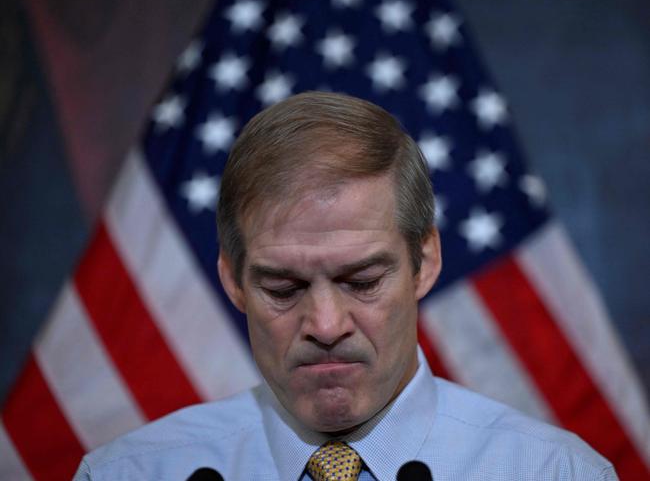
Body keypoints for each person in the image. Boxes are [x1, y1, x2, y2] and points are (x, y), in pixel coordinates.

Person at [74, 92, 617, 480]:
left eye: (362, 281)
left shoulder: (556, 472)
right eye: (283, 288)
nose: (327, 326)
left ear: (424, 262)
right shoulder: (130, 473)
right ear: (233, 281)